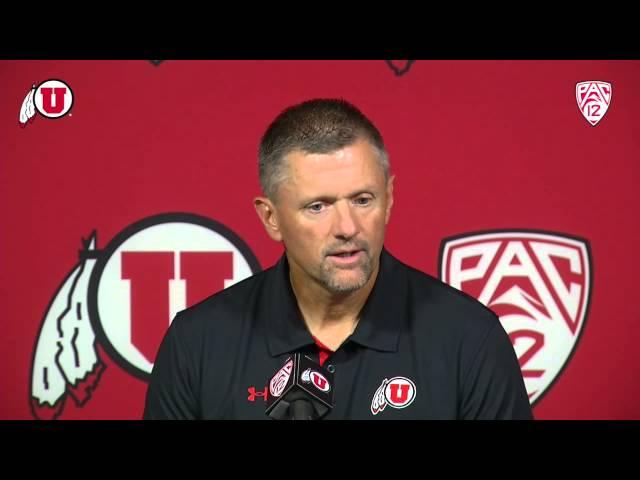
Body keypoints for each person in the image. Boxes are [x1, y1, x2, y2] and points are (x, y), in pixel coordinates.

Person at [143, 98, 533, 420]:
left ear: (390, 198)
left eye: (363, 200)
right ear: (271, 217)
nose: (347, 227)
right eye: (318, 206)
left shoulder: (469, 339)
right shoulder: (198, 342)